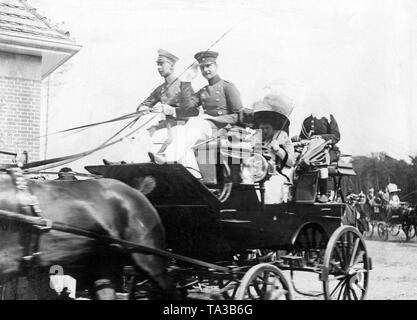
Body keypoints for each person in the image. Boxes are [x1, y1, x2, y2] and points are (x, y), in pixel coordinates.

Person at [150, 50, 243, 172]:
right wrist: (187, 81)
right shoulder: (203, 91)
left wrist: (213, 119)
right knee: (182, 129)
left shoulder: (228, 87)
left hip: (223, 128)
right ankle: (188, 168)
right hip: (207, 127)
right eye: (202, 68)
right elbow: (187, 108)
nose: (206, 70)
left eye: (208, 66)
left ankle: (169, 158)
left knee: (195, 127)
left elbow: (238, 115)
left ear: (216, 66)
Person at [252, 94, 295, 204]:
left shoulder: (284, 139)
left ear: (273, 128)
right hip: (256, 174)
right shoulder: (255, 139)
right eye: (262, 128)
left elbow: (291, 162)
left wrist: (278, 150)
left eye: (267, 128)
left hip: (277, 174)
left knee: (270, 188)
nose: (264, 131)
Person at [292, 113, 341, 203]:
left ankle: (324, 193)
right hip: (310, 150)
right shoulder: (307, 120)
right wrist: (297, 139)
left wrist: (321, 137)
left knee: (321, 161)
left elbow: (336, 136)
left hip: (329, 150)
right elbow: (304, 138)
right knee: (296, 160)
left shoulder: (329, 118)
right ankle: (300, 193)